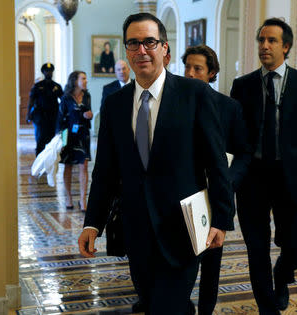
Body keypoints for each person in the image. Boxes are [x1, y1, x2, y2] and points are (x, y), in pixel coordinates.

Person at [78, 13, 234, 314]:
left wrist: (221, 220)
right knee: (152, 303)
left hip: (184, 228)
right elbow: (105, 171)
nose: (141, 50)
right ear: (125, 50)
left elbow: (217, 162)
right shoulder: (114, 104)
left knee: (168, 306)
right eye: (133, 43)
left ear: (164, 48)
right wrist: (92, 222)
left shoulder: (196, 95)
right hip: (135, 230)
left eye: (149, 41)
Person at [230, 18, 297, 313]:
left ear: (286, 46)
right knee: (257, 249)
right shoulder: (242, 86)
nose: (264, 46)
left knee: (294, 247)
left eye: (271, 41)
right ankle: (268, 307)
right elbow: (235, 134)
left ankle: (282, 279)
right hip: (252, 177)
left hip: (290, 176)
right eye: (261, 40)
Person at [182, 44, 250, 314]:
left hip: (214, 196)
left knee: (211, 260)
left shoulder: (229, 107)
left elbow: (243, 152)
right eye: (187, 67)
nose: (190, 73)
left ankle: (206, 309)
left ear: (211, 73)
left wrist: (226, 182)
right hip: (180, 193)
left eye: (197, 68)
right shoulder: (172, 102)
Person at [58, 71, 93, 211]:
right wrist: (61, 140)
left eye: (86, 78)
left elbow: (89, 112)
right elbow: (60, 120)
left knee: (83, 166)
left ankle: (83, 200)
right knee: (68, 166)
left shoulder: (87, 96)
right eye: (83, 78)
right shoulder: (66, 98)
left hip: (83, 135)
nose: (86, 81)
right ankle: (68, 197)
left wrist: (89, 115)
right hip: (68, 135)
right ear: (75, 81)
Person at [26, 63, 63, 156]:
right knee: (40, 139)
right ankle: (39, 161)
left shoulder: (57, 86)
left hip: (53, 116)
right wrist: (28, 114)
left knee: (52, 139)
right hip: (40, 116)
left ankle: (49, 162)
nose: (49, 73)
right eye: (47, 71)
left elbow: (63, 101)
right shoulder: (37, 86)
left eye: (50, 71)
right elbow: (31, 101)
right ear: (43, 72)